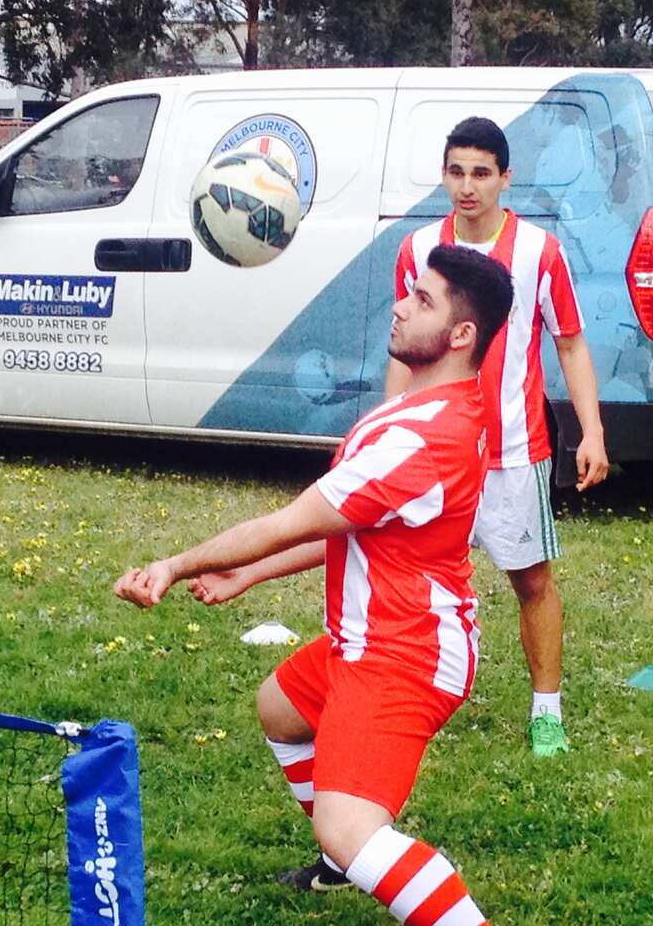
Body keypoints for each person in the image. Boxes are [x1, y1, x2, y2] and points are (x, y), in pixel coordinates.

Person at [114, 244, 514, 920]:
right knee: (281, 708)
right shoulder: (445, 406)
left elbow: (290, 521)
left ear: (461, 334)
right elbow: (354, 525)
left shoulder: (423, 438)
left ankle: (358, 851)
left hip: (404, 654)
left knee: (351, 826)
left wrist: (177, 564)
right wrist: (249, 574)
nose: (400, 305)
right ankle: (344, 861)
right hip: (377, 637)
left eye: (423, 301)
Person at [385, 116, 609, 759]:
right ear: (444, 174)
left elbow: (569, 342)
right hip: (433, 451)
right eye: (456, 171)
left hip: (514, 452)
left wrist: (590, 432)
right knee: (406, 576)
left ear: (505, 179)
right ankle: (409, 695)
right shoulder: (420, 248)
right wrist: (385, 427)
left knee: (532, 582)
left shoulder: (540, 251)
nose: (468, 186)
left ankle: (546, 714)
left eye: (481, 173)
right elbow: (404, 343)